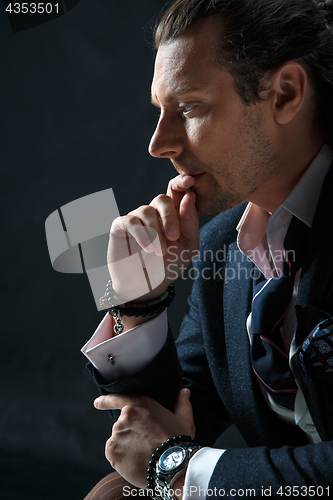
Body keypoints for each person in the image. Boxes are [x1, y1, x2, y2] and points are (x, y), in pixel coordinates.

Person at [82, 0, 333, 498]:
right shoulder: (224, 243)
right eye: (160, 111)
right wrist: (140, 303)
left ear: (284, 94)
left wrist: (178, 469)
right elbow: (166, 424)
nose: (159, 143)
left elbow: (168, 454)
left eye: (190, 107)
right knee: (117, 493)